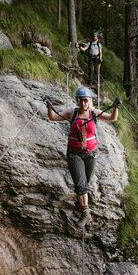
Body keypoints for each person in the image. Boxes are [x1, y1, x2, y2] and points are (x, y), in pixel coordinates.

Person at [45, 87, 120, 228]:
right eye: (80, 100)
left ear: (89, 101)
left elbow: (112, 118)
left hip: (91, 154)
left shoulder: (94, 113)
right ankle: (86, 214)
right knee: (81, 184)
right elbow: (53, 117)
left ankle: (80, 204)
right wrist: (49, 106)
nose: (83, 103)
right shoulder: (71, 113)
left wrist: (115, 107)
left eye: (86, 100)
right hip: (75, 154)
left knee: (85, 183)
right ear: (77, 100)